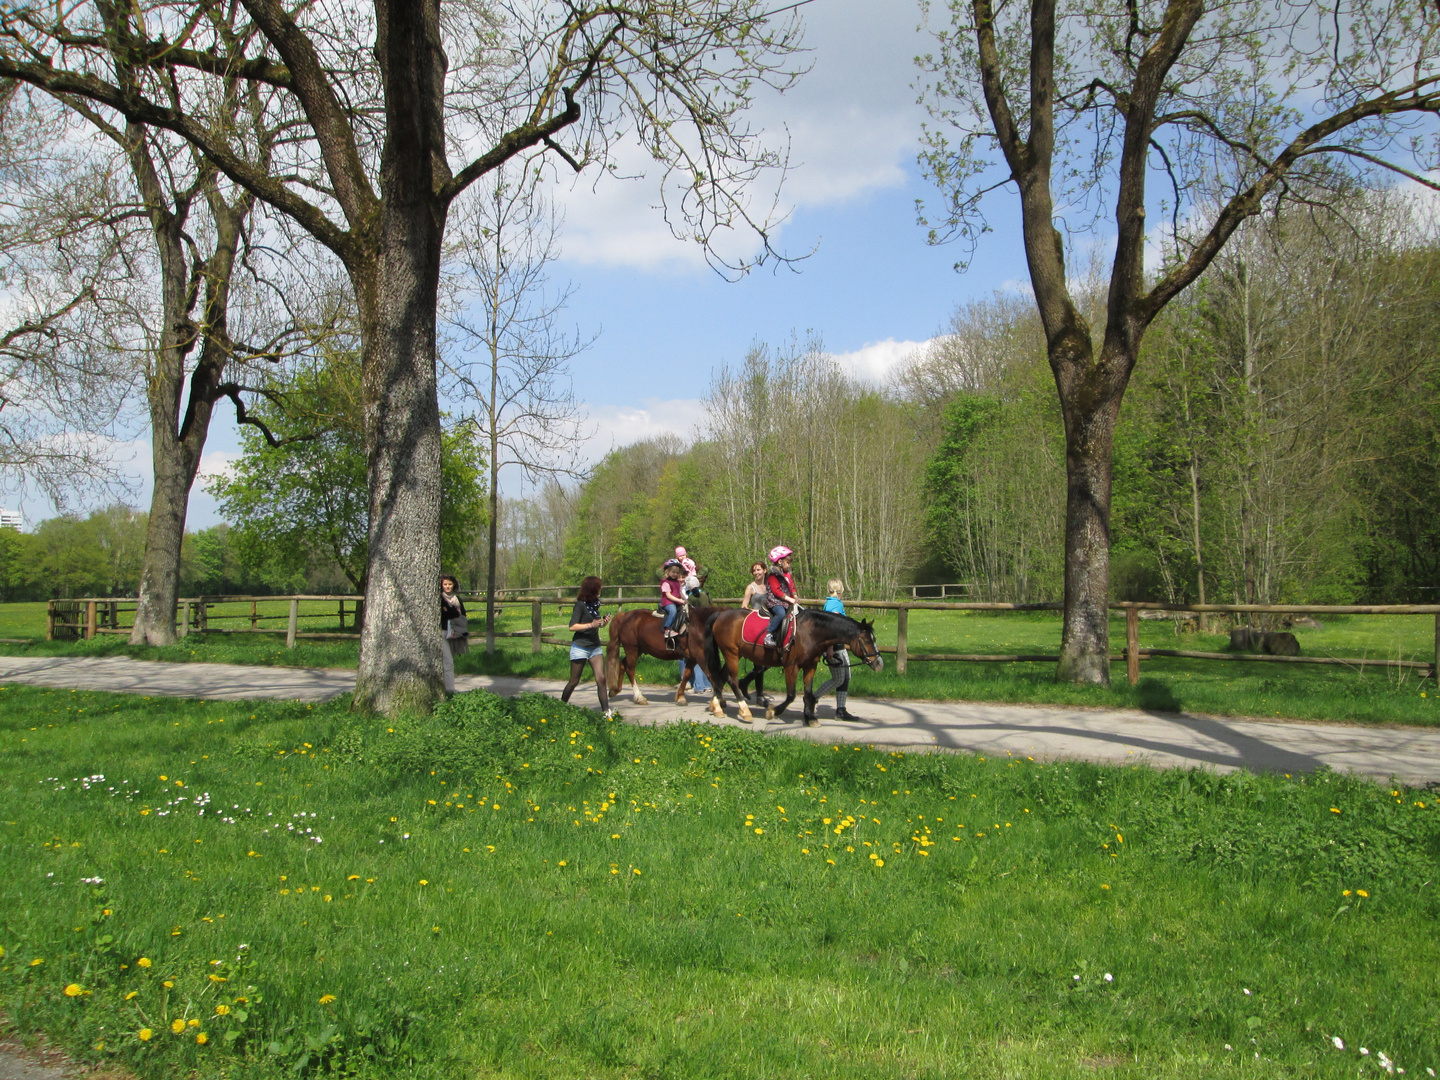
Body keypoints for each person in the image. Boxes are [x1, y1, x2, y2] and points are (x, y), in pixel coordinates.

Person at [561, 576, 614, 717]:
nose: (601, 588)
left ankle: (606, 712)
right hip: (580, 647)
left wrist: (603, 622)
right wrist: (590, 625)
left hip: (594, 647)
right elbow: (572, 626)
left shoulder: (595, 604)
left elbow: (597, 624)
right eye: (599, 586)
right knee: (574, 681)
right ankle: (560, 706)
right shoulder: (580, 605)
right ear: (593, 588)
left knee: (601, 679)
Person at [816, 578, 857, 720]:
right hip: (835, 647)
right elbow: (831, 628)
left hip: (839, 646)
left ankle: (841, 710)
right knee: (838, 679)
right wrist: (830, 649)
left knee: (846, 677)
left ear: (829, 589)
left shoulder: (833, 603)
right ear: (841, 590)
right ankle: (812, 698)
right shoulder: (835, 605)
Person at [762, 545, 800, 649]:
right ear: (780, 562)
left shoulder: (787, 575)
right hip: (775, 602)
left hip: (786, 602)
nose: (789, 565)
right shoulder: (773, 576)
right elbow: (777, 591)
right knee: (781, 613)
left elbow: (792, 586)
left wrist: (795, 595)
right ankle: (769, 634)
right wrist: (790, 599)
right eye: (788, 562)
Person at [440, 574, 468, 694]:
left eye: (450, 584)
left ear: (454, 585)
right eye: (445, 584)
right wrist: (452, 612)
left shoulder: (457, 599)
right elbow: (444, 615)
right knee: (448, 662)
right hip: (442, 632)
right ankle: (450, 690)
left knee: (450, 661)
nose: (447, 587)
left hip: (454, 633)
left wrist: (451, 611)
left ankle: (448, 689)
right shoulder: (440, 599)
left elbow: (462, 615)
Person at [658, 559, 687, 643]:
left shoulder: (677, 582)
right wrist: (679, 600)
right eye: (673, 572)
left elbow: (680, 592)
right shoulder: (665, 582)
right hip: (668, 602)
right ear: (668, 572)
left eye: (677, 573)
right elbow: (668, 595)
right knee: (673, 611)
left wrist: (685, 599)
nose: (675, 574)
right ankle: (668, 629)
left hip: (676, 601)